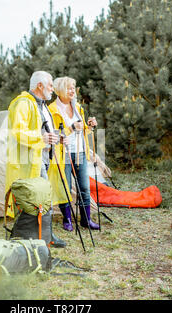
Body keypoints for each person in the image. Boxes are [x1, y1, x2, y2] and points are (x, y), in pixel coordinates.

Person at [5, 71, 70, 248]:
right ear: (39, 86)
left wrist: (57, 137)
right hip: (29, 161)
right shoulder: (23, 103)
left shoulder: (42, 105)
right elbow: (18, 131)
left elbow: (45, 130)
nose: (53, 89)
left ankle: (46, 234)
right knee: (29, 198)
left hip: (42, 158)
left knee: (43, 197)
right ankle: (27, 236)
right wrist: (41, 139)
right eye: (50, 85)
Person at [48, 76, 100, 231]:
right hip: (63, 153)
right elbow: (53, 134)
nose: (73, 91)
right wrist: (71, 128)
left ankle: (86, 220)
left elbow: (82, 127)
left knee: (84, 187)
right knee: (65, 186)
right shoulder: (52, 110)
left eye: (73, 87)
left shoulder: (77, 106)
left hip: (80, 152)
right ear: (60, 90)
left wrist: (89, 126)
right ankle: (67, 220)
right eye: (69, 88)